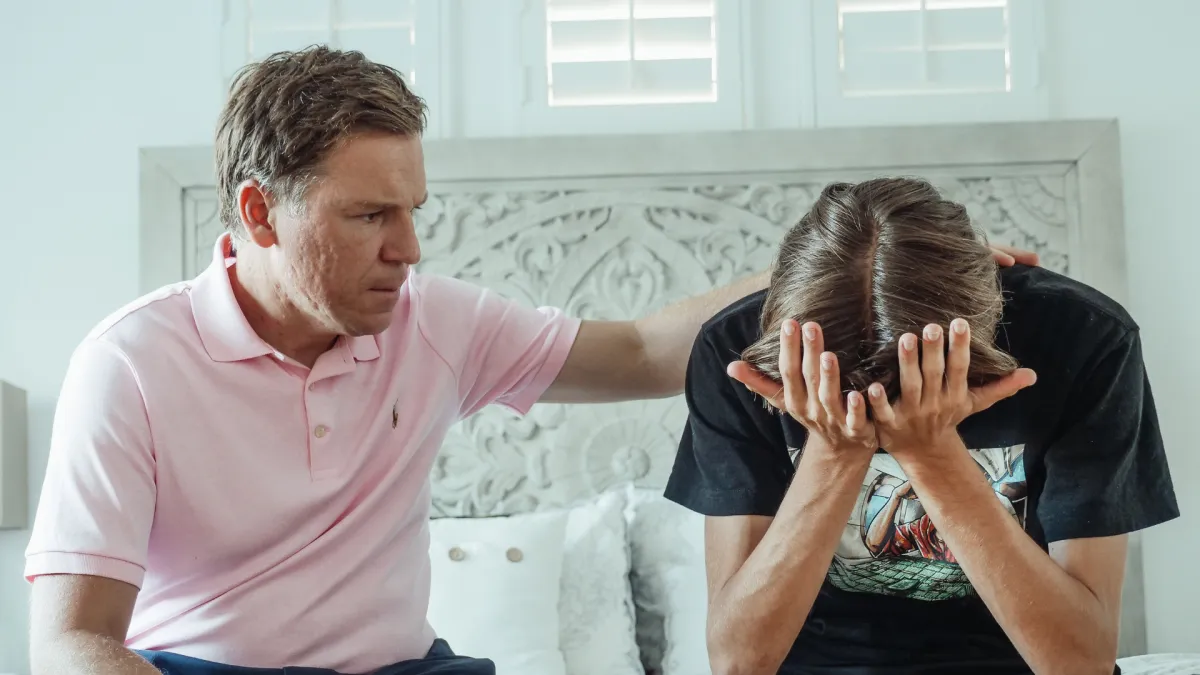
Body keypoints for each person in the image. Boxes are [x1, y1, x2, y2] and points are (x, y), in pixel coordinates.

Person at [23, 46, 1035, 675]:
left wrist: (849, 272)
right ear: (256, 213)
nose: (408, 250)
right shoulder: (131, 366)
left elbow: (642, 350)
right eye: (369, 216)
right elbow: (71, 643)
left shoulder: (432, 322)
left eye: (414, 211)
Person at [664, 177, 1179, 675]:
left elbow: (1080, 664)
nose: (881, 416)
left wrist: (933, 455)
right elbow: (737, 661)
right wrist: (834, 450)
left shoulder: (1085, 337)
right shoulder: (739, 353)